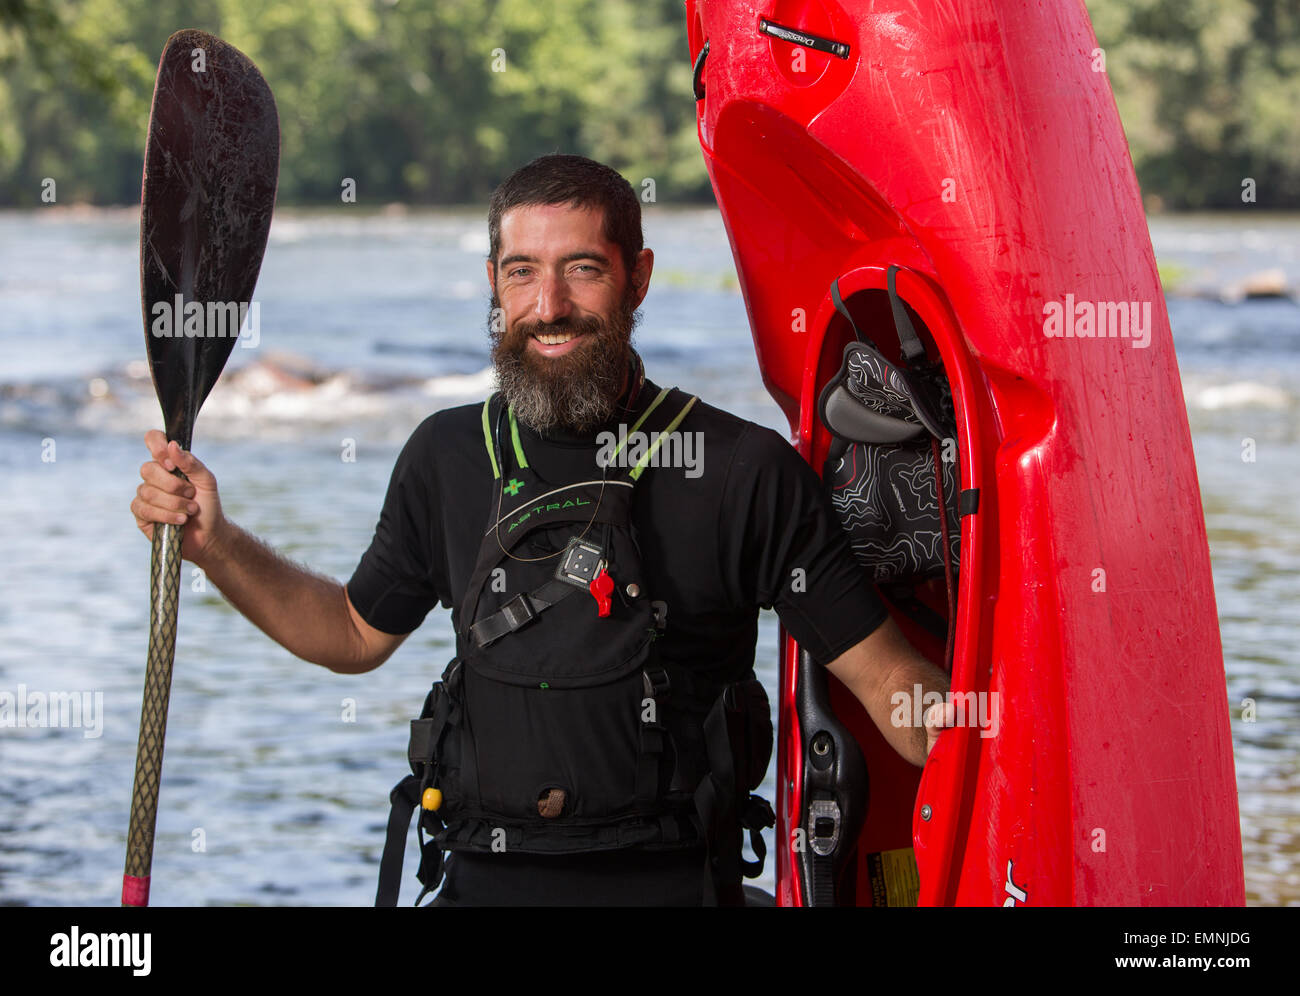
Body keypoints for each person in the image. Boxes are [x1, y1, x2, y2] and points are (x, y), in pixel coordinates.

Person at [130, 154, 953, 906]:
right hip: (480, 885)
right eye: (522, 273)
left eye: (582, 270)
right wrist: (217, 543)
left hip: (678, 890)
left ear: (638, 278)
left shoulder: (743, 470)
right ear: (494, 283)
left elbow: (890, 690)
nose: (548, 306)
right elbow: (351, 632)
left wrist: (1016, 734)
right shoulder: (446, 455)